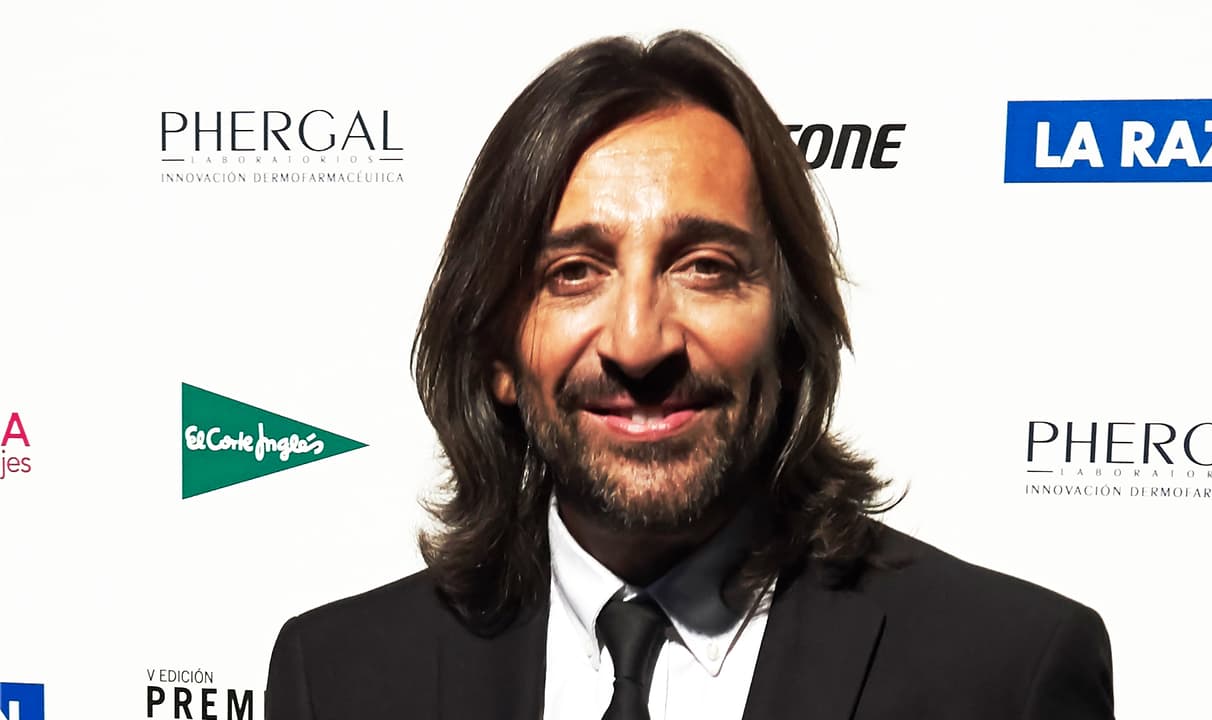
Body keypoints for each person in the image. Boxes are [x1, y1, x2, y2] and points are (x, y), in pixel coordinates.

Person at [266, 31, 1114, 720]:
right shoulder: (335, 679)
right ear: (497, 356)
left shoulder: (1005, 675)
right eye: (573, 274)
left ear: (790, 332)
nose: (639, 345)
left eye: (704, 267)